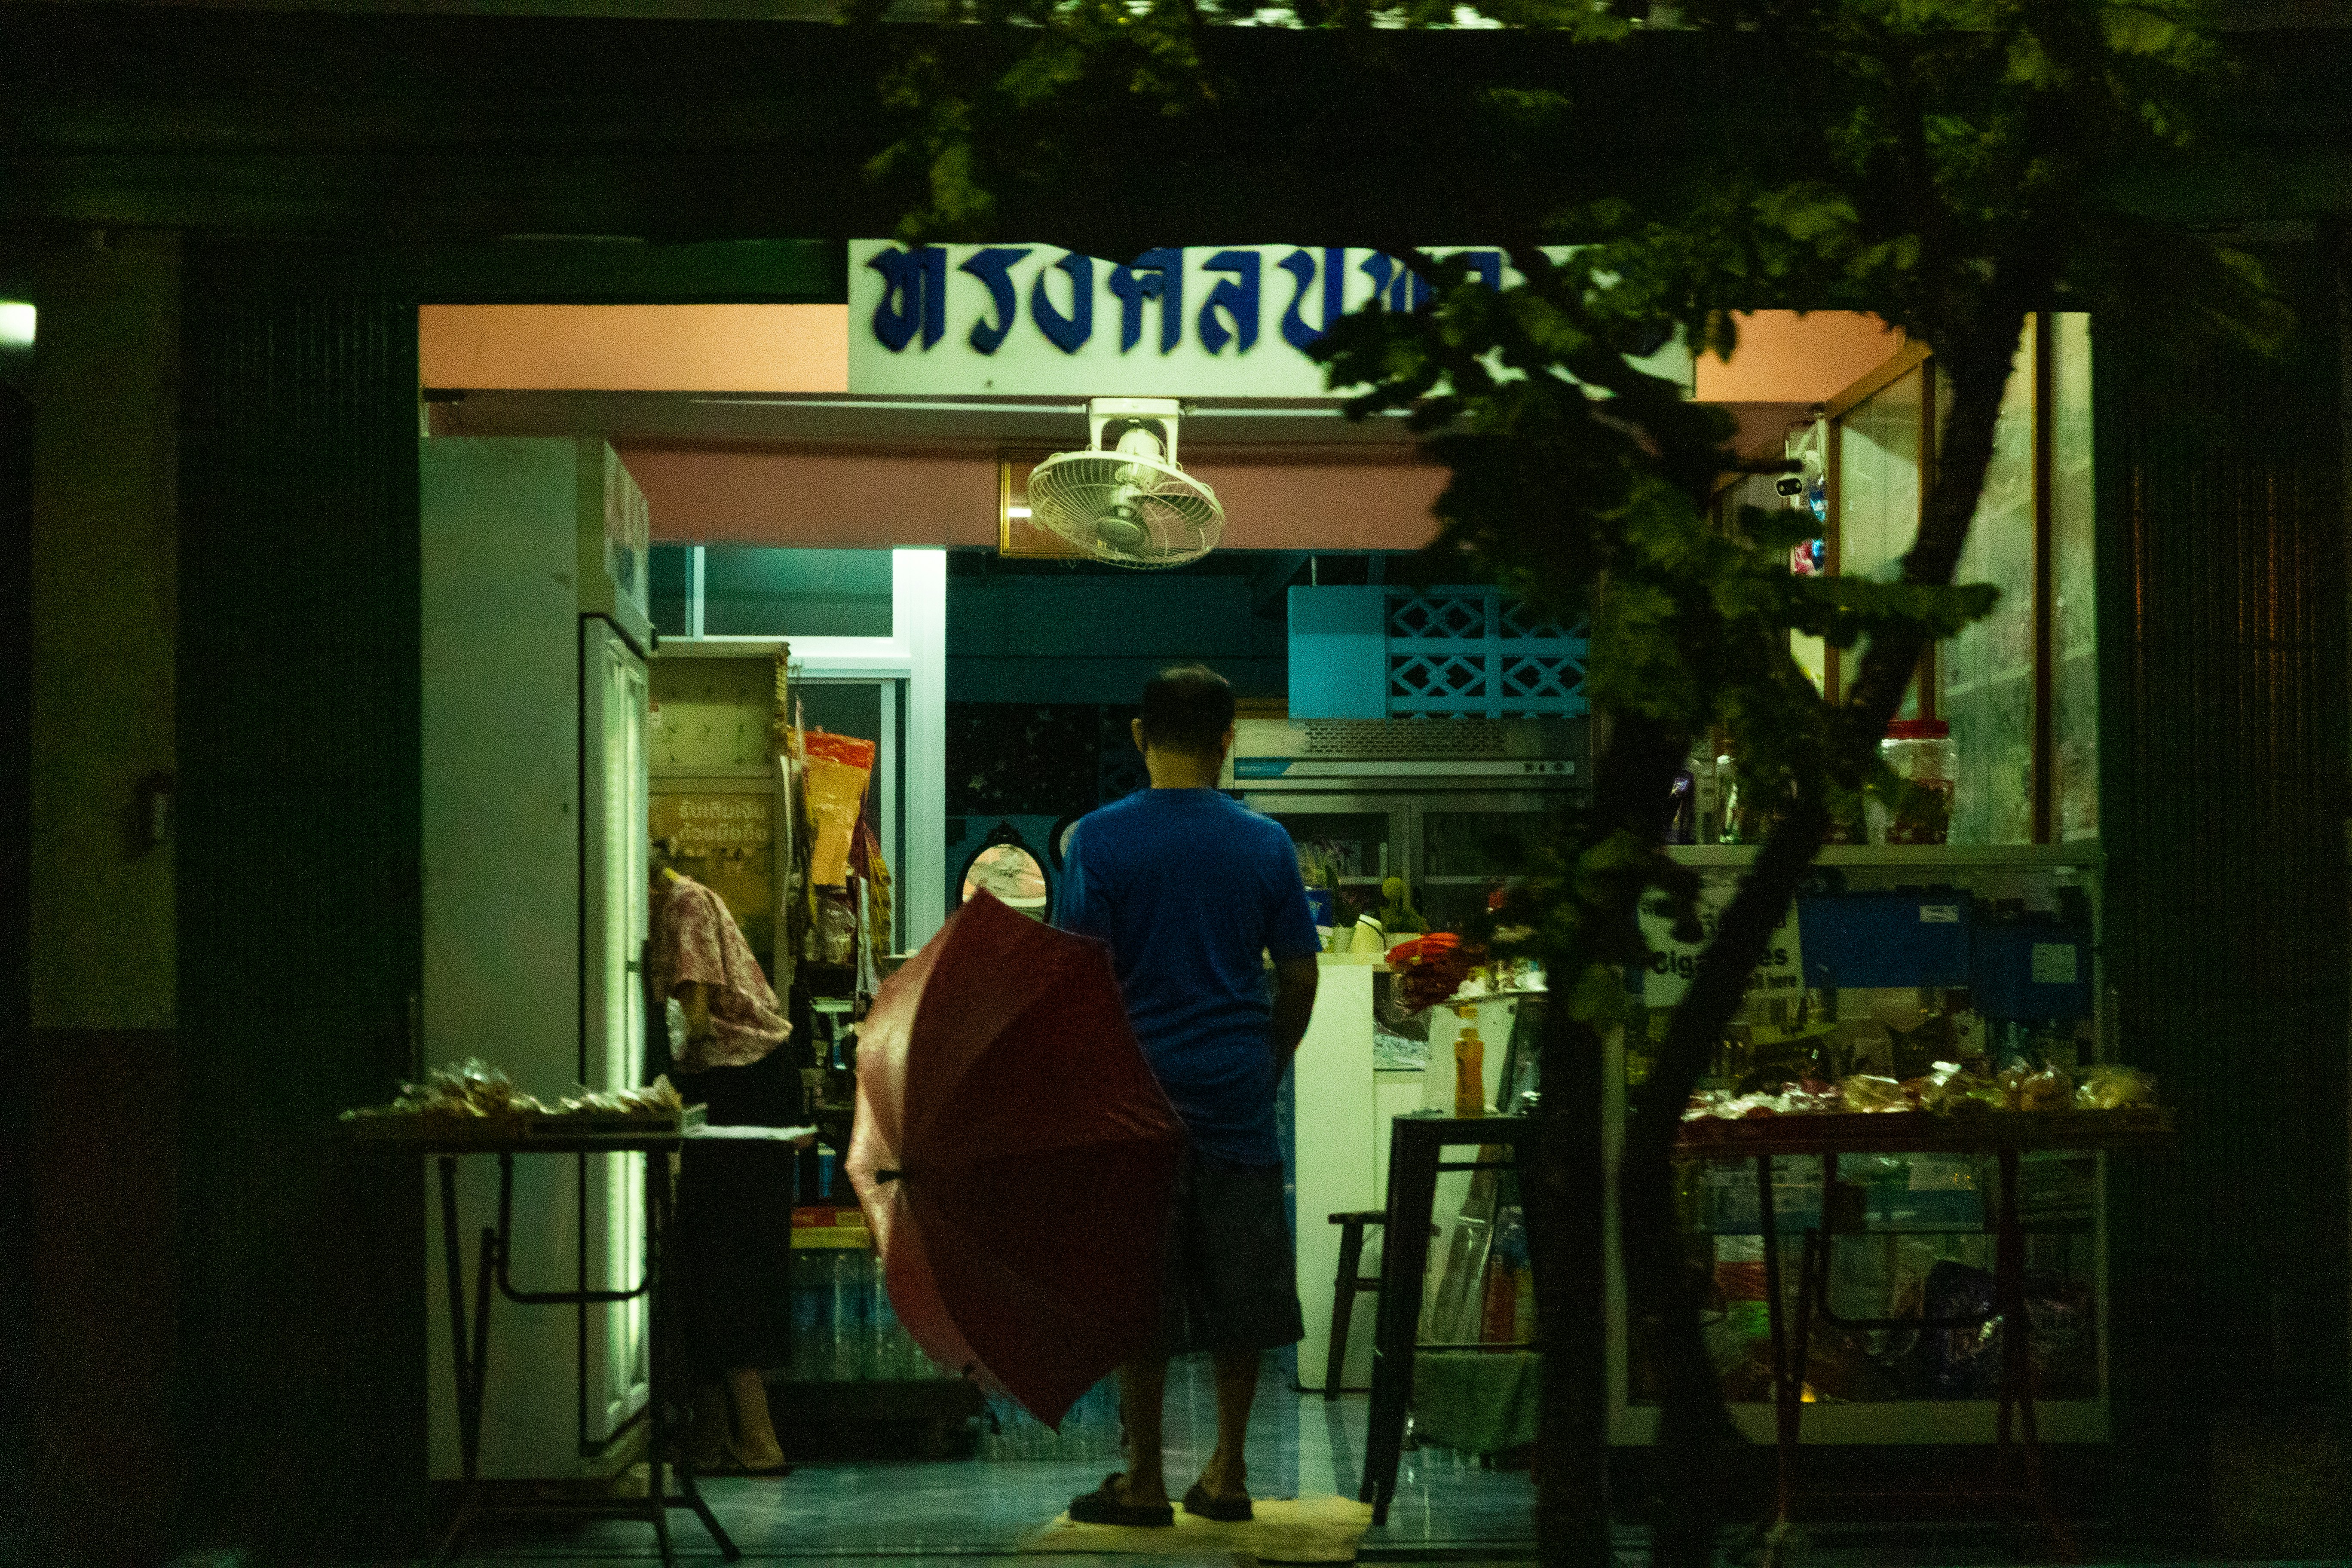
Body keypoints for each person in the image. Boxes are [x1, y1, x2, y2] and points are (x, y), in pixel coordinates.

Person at [1052, 665, 1321, 1526]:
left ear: (1139, 737)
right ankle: (1230, 1472)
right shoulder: (1265, 844)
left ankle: (1142, 1480)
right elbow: (1301, 974)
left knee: (1142, 1295)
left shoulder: (1096, 841)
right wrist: (1267, 1060)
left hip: (1136, 1101)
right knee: (1239, 1293)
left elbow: (1076, 976)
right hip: (1237, 1097)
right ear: (1227, 741)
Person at [648, 839, 807, 1476]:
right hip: (737, 1084)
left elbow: (698, 1018)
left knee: (730, 1251)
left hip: (745, 1083)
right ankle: (717, 1430)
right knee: (703, 1250)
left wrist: (655, 1083)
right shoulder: (675, 905)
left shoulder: (683, 903)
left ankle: (759, 1437)